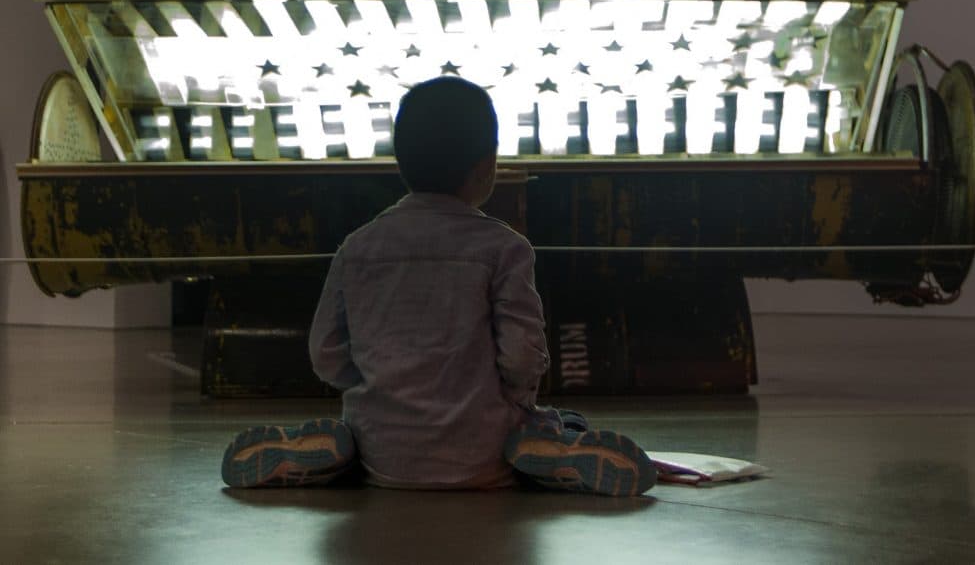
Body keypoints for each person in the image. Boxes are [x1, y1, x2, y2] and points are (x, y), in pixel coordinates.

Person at [221, 77, 657, 496]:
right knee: (564, 421)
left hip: (382, 460)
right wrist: (517, 404)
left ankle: (341, 450)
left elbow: (326, 354)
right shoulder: (505, 248)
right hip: (485, 457)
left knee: (356, 439)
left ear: (399, 161)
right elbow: (522, 355)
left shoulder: (357, 248)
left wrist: (373, 390)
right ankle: (551, 442)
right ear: (487, 166)